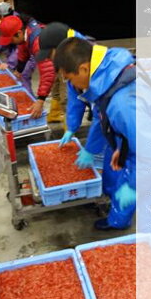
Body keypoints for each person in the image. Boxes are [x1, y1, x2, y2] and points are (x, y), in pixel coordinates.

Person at [54, 38, 136, 231]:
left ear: (83, 69)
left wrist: (133, 186)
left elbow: (148, 150)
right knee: (113, 170)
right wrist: (90, 149)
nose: (71, 86)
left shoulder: (123, 104)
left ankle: (119, 223)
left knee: (128, 181)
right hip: (125, 137)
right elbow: (102, 119)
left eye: (70, 79)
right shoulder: (106, 75)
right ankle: (112, 201)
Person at [36, 22, 105, 167]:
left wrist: (91, 148)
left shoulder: (95, 65)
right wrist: (72, 128)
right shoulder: (71, 62)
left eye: (50, 54)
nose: (49, 59)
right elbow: (75, 98)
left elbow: (103, 115)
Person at [0, 15, 55, 118]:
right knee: (56, 91)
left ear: (19, 33)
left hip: (68, 59)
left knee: (68, 95)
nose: (10, 42)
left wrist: (40, 100)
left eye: (10, 39)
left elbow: (47, 72)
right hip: (55, 59)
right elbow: (23, 52)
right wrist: (19, 70)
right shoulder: (26, 34)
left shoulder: (38, 41)